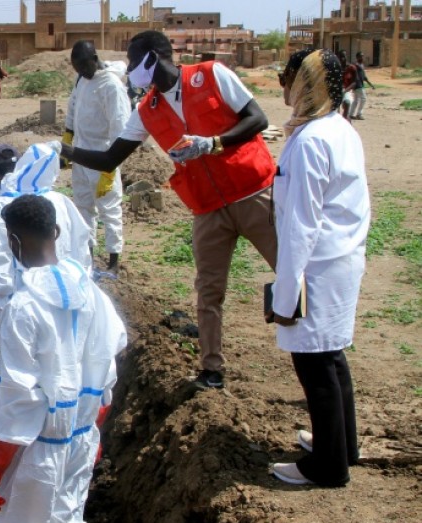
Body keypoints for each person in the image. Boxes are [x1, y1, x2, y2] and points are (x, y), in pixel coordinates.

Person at [62, 30, 278, 389]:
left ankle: (314, 351)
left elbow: (257, 119)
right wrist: (66, 152)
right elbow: (111, 157)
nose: (129, 68)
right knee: (209, 291)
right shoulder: (147, 110)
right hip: (207, 206)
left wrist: (213, 143)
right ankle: (211, 369)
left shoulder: (211, 75)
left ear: (153, 58)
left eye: (133, 61)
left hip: (252, 192)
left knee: (289, 271)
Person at [0, 194, 127, 523]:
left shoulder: (23, 308)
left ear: (12, 241)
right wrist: (91, 429)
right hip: (80, 440)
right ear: (56, 232)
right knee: (67, 519)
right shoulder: (95, 295)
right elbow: (108, 373)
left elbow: (18, 396)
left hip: (36, 452)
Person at [267, 49, 369, 488]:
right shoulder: (337, 128)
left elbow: (301, 225)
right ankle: (342, 444)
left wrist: (286, 291)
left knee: (314, 364)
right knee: (332, 356)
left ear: (307, 84)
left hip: (318, 265)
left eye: (289, 80)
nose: (284, 89)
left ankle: (327, 467)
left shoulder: (311, 141)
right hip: (340, 259)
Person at [0, 142, 92, 376]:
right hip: (72, 305)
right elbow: (84, 253)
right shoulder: (61, 201)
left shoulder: (0, 207)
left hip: (24, 319)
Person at [64, 40, 132, 277]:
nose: (82, 73)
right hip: (82, 155)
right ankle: (88, 258)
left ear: (94, 59)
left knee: (109, 210)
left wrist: (109, 169)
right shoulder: (82, 79)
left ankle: (113, 263)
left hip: (104, 156)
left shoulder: (111, 86)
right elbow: (73, 108)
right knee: (83, 208)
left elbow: (120, 130)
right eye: (78, 69)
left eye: (84, 67)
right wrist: (68, 136)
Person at [350, 52, 374, 120]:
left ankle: (351, 114)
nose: (362, 58)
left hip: (359, 85)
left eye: (363, 56)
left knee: (356, 100)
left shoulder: (361, 65)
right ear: (357, 57)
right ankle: (359, 114)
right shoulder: (355, 66)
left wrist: (370, 84)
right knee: (363, 99)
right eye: (361, 56)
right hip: (358, 85)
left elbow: (364, 77)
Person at [338, 50, 356, 122]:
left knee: (347, 103)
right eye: (341, 57)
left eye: (344, 56)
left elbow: (354, 83)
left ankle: (346, 122)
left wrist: (345, 91)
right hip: (337, 90)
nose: (343, 58)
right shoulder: (337, 68)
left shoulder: (351, 68)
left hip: (347, 90)